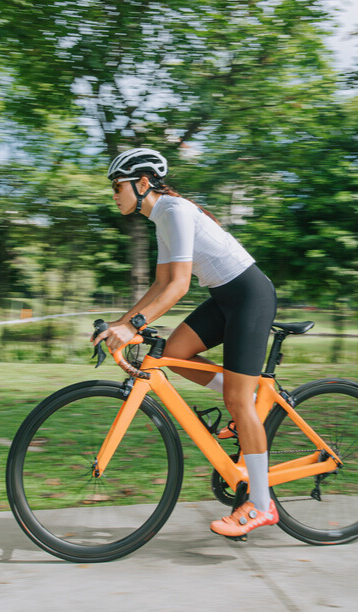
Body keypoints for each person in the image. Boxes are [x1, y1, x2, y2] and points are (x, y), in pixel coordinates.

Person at [91, 147, 279, 537]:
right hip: (224, 299)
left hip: (249, 298)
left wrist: (134, 326)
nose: (115, 192)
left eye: (118, 185)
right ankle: (244, 406)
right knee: (174, 356)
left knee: (237, 402)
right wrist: (121, 325)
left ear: (143, 183)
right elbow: (161, 283)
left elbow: (177, 287)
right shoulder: (162, 217)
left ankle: (261, 504)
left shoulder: (174, 211)